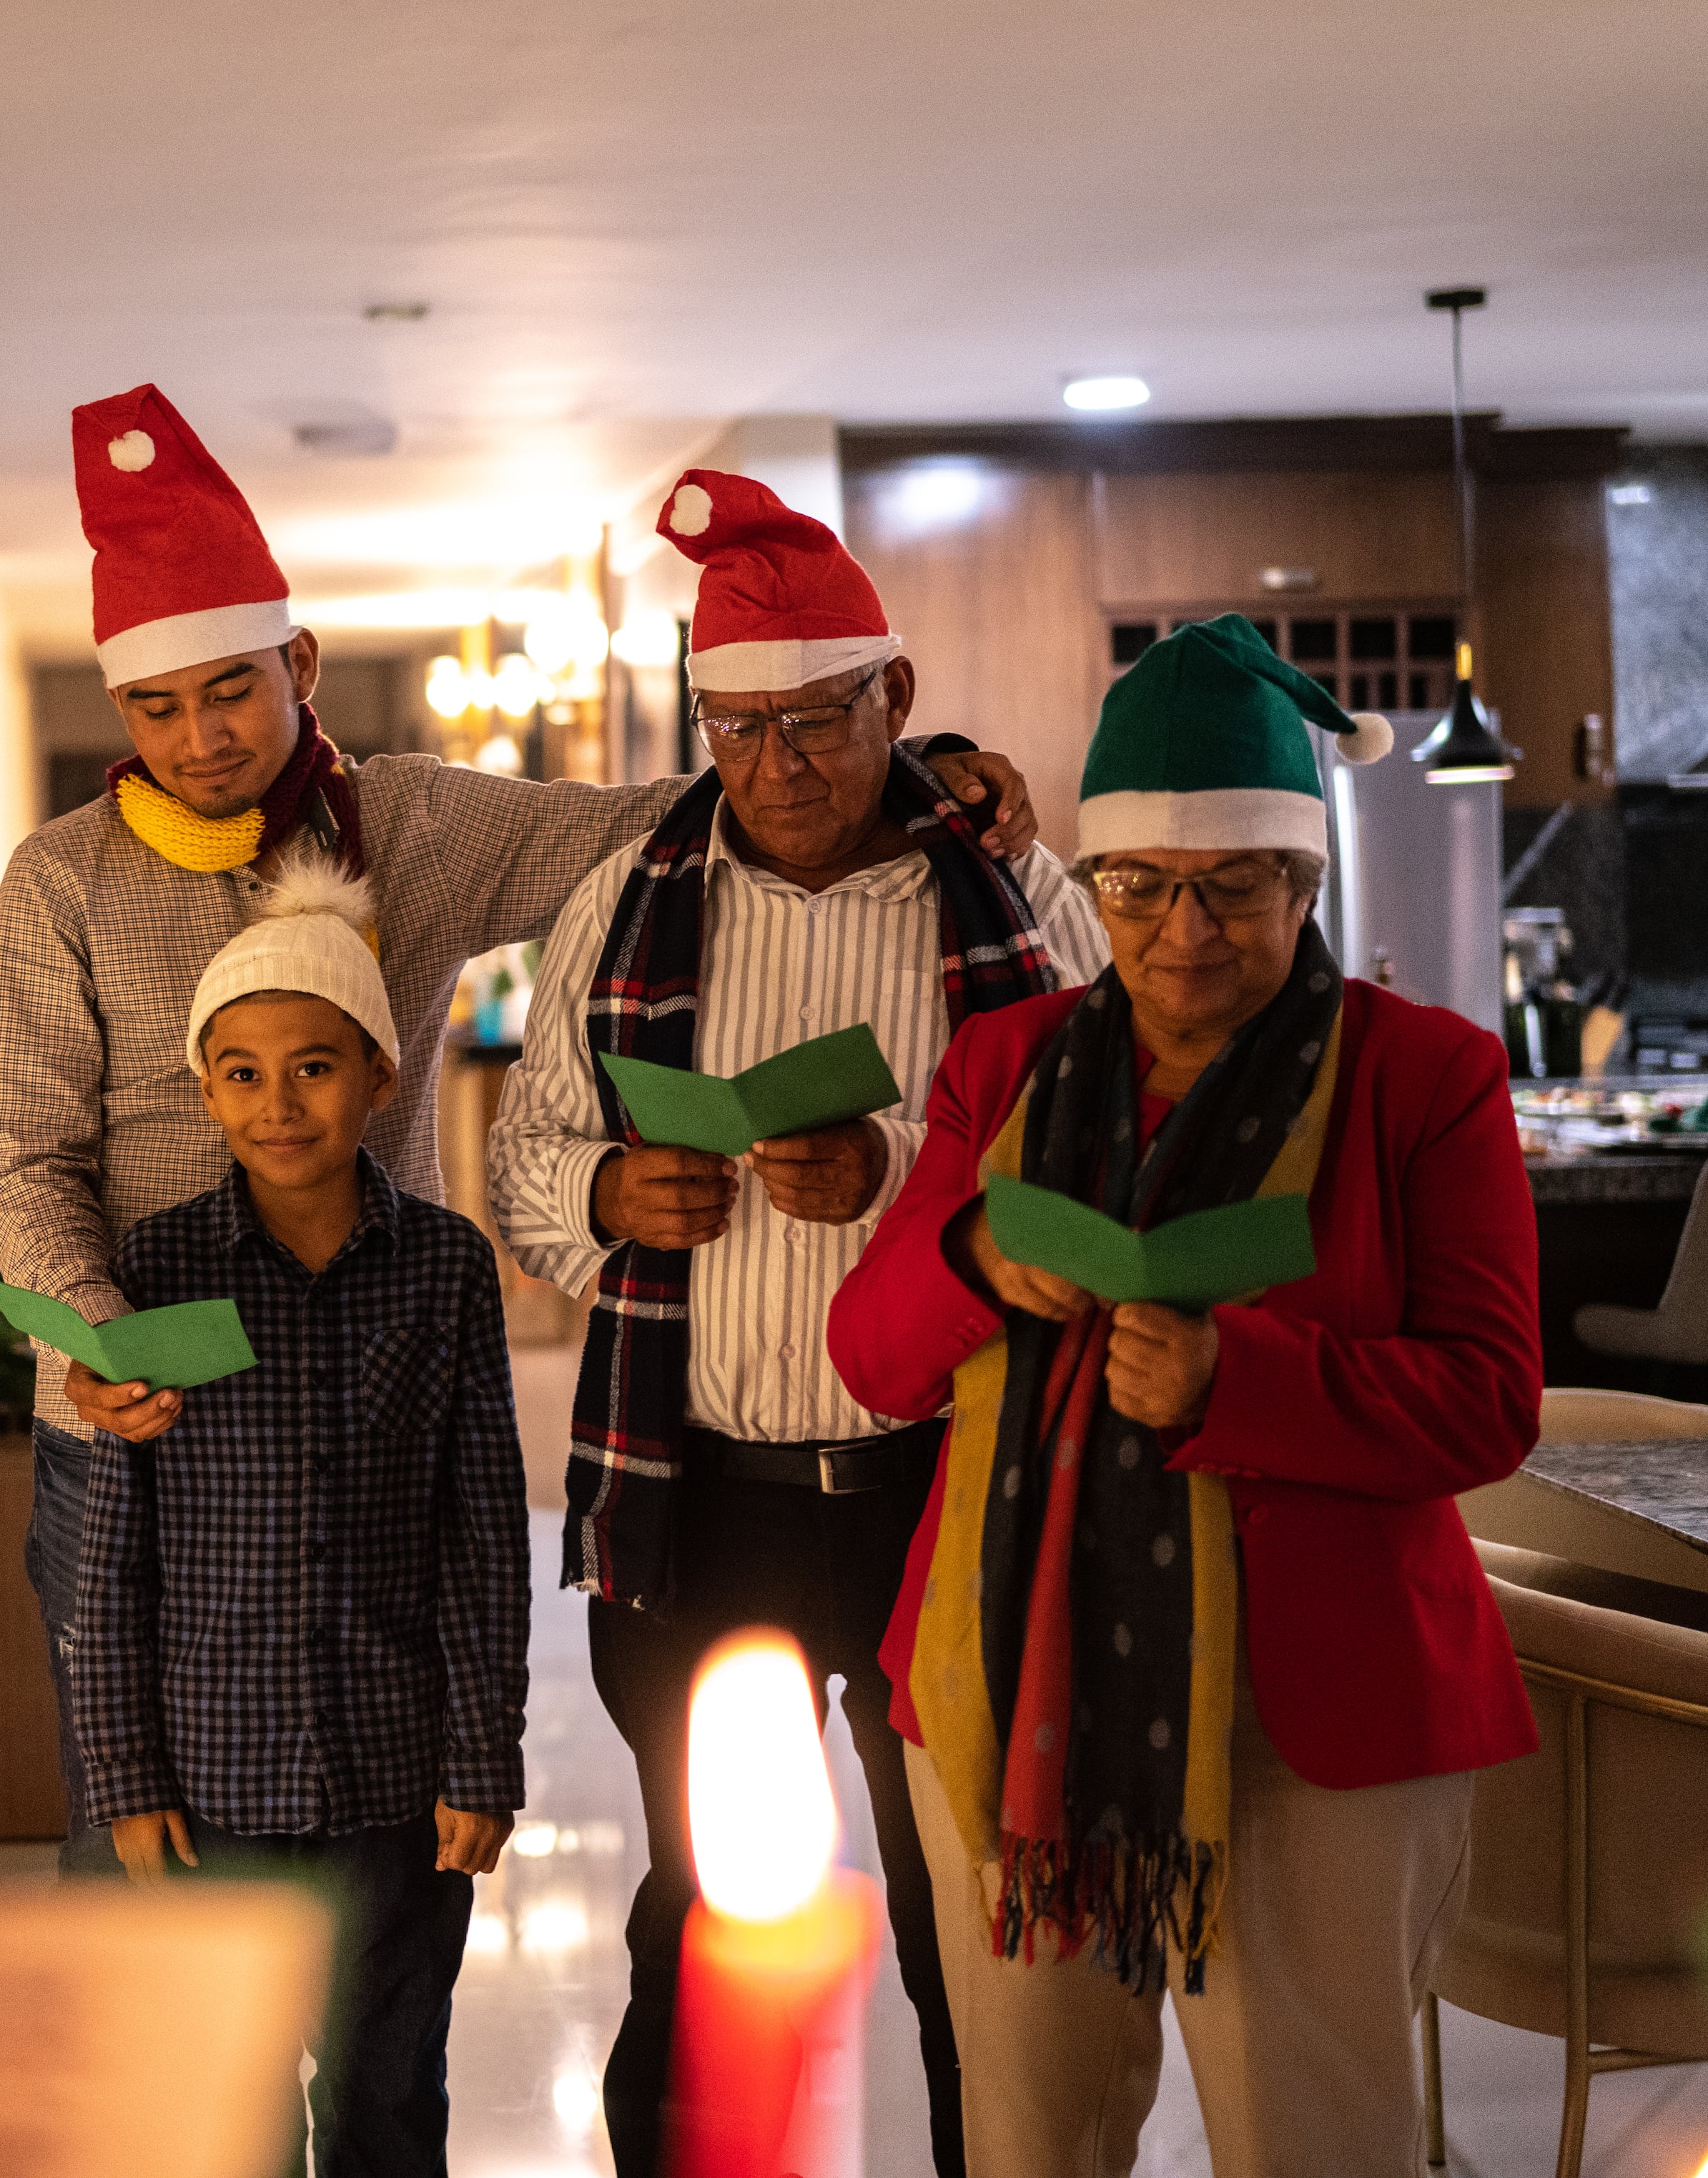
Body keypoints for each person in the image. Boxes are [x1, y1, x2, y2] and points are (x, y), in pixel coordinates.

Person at [0, 384, 1044, 1878]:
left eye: (228, 691)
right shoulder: (61, 879)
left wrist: (913, 764)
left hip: (369, 1385)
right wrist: (92, 1328)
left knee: (389, 1797)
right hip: (139, 1412)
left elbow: (672, 815)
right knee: (138, 1839)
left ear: (297, 663)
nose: (197, 739)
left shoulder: (415, 824)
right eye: (154, 707)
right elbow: (25, 1154)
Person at [826, 616, 1541, 2177]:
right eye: (1139, 886)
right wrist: (973, 1259)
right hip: (1015, 1688)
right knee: (1033, 2139)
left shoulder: (1422, 1078)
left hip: (1316, 1715)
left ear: (1307, 884)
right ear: (1093, 884)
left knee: (1316, 2144)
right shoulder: (1003, 1067)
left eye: (1234, 887)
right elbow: (872, 1358)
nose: (1181, 933)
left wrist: (1241, 1377)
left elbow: (1490, 1402)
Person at [485, 470, 1104, 2178]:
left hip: (943, 1492)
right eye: (736, 730)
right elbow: (523, 1166)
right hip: (701, 1498)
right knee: (698, 1910)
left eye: (814, 723)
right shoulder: (627, 900)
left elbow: (1092, 1166)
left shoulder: (1017, 898)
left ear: (893, 697)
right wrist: (613, 1193)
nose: (773, 769)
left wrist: (899, 1164)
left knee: (967, 1926)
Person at [65, 854, 527, 2177]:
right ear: (206, 1090)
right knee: (234, 2111)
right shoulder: (155, 1268)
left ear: (379, 1075)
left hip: (398, 1780)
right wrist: (125, 1776)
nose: (279, 1105)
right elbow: (115, 1557)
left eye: (314, 1068)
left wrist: (482, 1756)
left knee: (388, 2094)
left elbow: (485, 1533)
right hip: (216, 1782)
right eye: (244, 1074)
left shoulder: (446, 1269)